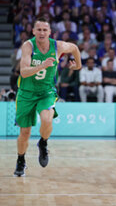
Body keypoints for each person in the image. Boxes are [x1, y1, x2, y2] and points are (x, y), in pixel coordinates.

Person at [14, 16, 82, 177]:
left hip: (46, 91)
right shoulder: (28, 46)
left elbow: (74, 48)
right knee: (25, 133)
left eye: (45, 30)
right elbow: (23, 72)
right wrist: (43, 65)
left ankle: (43, 143)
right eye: (39, 29)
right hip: (26, 93)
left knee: (46, 119)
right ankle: (21, 160)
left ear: (50, 32)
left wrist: (78, 65)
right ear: (33, 31)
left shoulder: (57, 46)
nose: (42, 32)